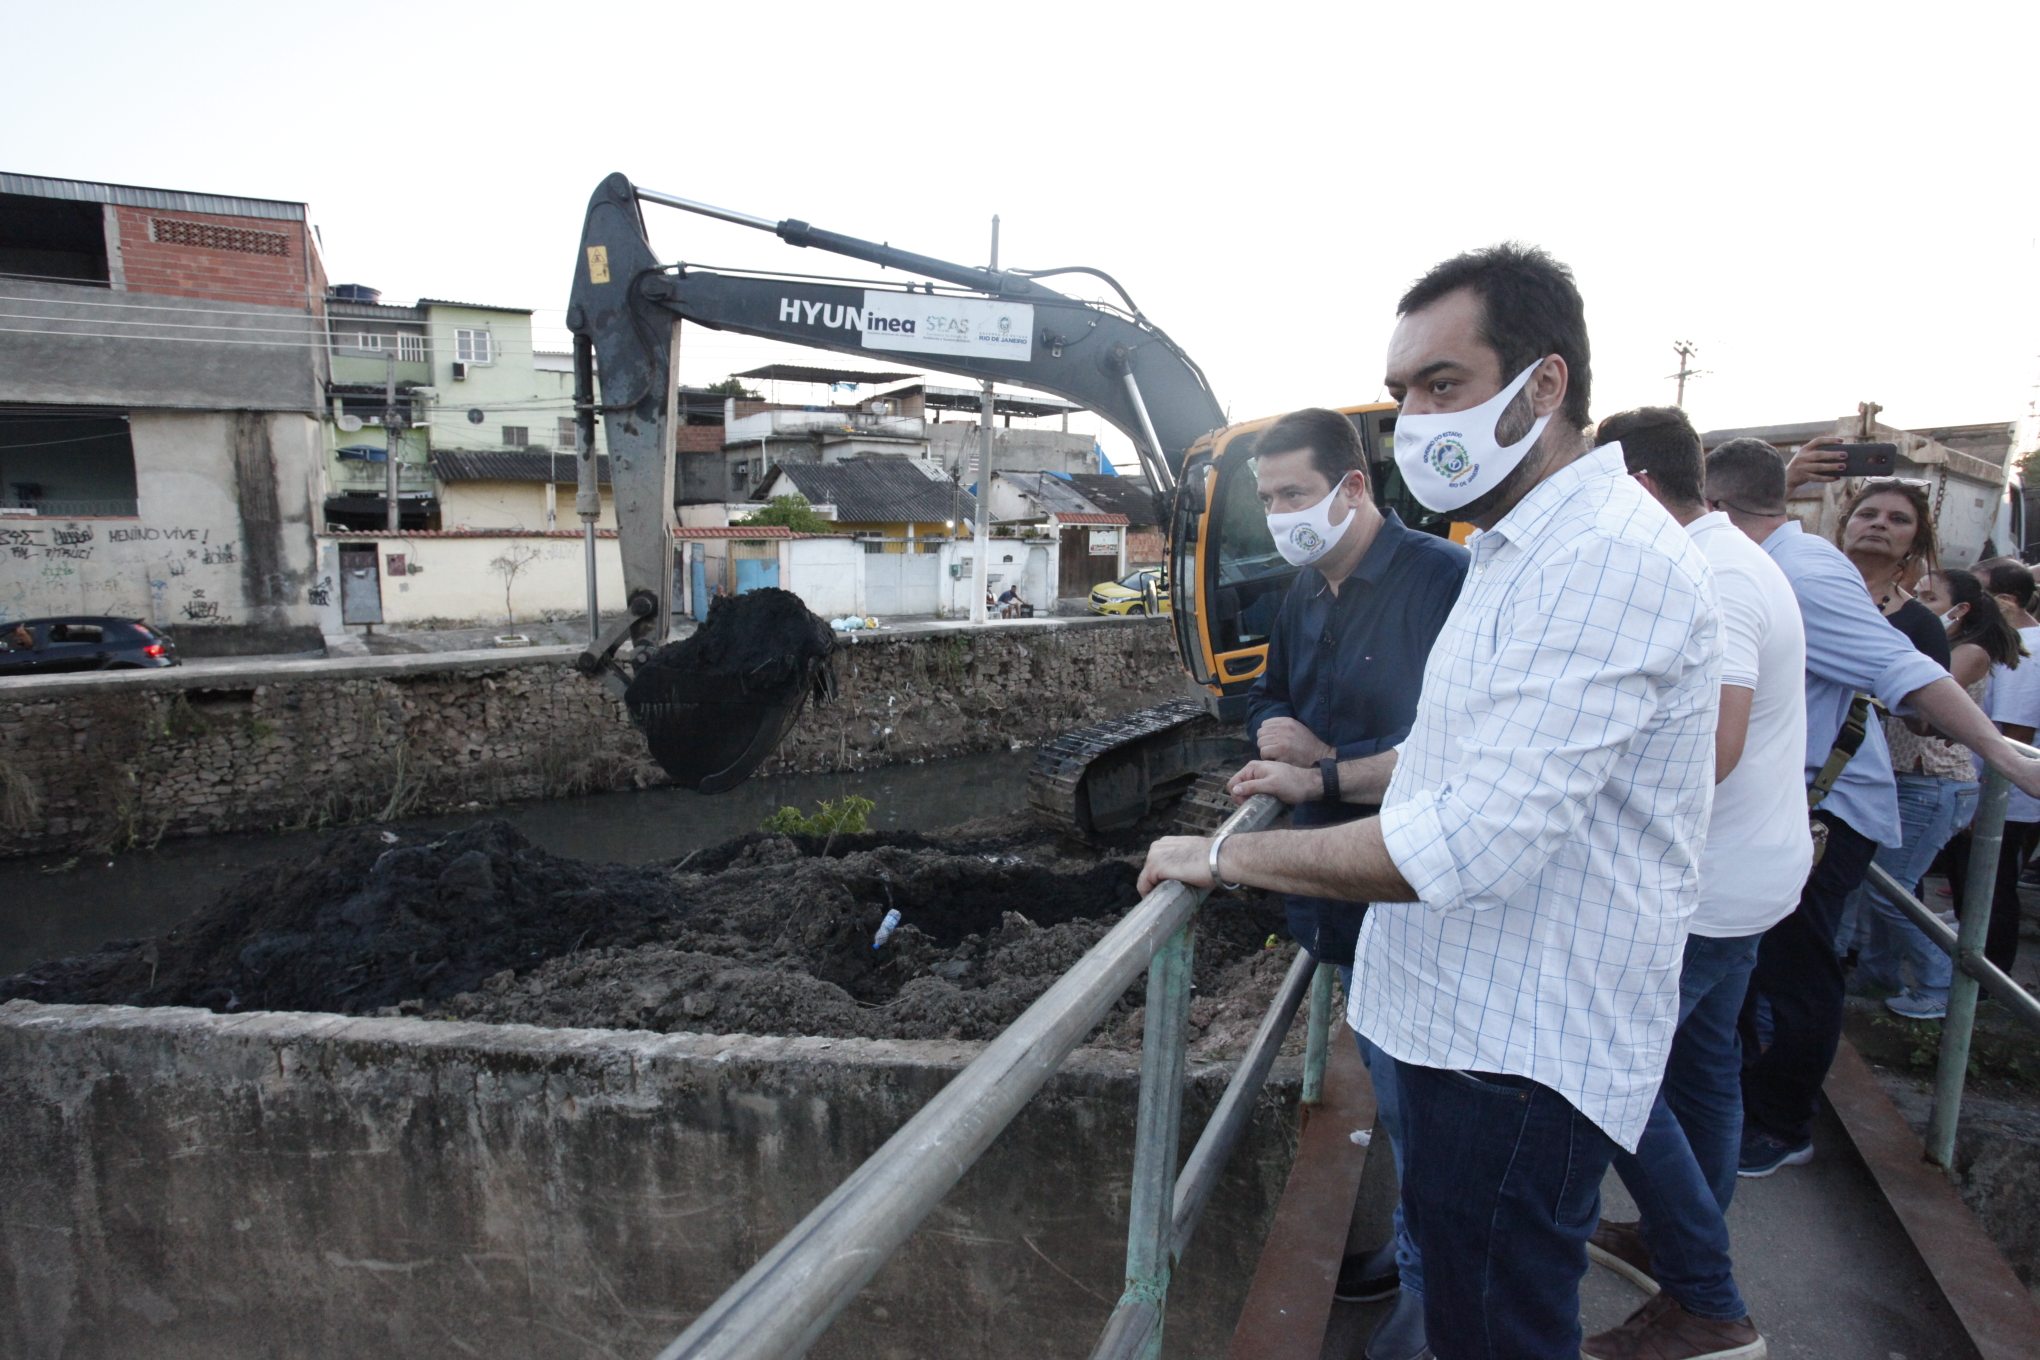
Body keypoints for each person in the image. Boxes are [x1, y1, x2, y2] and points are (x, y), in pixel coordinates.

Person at [1142, 244, 1723, 1360]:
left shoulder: (1599, 562)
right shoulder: (1519, 551)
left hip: (1508, 1060)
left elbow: (1462, 840)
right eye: (1403, 390)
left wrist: (1223, 857)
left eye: (1443, 384)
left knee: (1499, 1331)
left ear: (1544, 387)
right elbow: (1447, 759)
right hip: (1460, 1029)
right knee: (1464, 1301)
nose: (1414, 415)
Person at [1699, 440, 2040, 1181]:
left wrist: (2003, 752)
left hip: (1825, 807)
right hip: (1795, 801)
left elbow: (1904, 668)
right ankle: (1745, 1114)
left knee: (1796, 972)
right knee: (1762, 973)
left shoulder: (1802, 572)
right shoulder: (1786, 558)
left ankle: (1777, 1124)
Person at [1238, 406, 1468, 1360]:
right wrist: (1268, 733)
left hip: (1413, 888)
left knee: (1428, 1099)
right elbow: (1267, 691)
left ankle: (1433, 1301)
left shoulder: (1441, 583)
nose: (1281, 515)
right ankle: (1416, 1261)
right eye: (1268, 500)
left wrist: (1322, 768)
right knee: (1384, 1069)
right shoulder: (1303, 589)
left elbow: (1456, 757)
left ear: (1354, 486)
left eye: (1294, 494)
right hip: (1333, 891)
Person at [1577, 406, 1807, 1359]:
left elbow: (1710, 748)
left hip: (1703, 888)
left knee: (1610, 1079)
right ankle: (1680, 1236)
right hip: (1755, 871)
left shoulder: (1706, 575)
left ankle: (1706, 1301)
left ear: (1634, 489)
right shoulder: (1739, 558)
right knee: (1702, 1069)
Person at [1863, 568, 2015, 1018]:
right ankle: (1879, 974)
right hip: (1908, 779)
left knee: (1892, 891)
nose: (1916, 604)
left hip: (1933, 781)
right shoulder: (1943, 642)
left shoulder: (1969, 652)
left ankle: (1941, 983)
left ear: (1961, 610)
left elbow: (1921, 697)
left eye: (1927, 598)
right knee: (1880, 887)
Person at [1942, 557, 2040, 976]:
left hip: (2004, 796)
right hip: (1990, 786)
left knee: (1989, 888)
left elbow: (2016, 732)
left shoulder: (2027, 647)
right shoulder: (2009, 637)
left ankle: (1987, 979)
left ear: (2006, 599)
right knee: (1975, 885)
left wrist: (1985, 799)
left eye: (1978, 593)